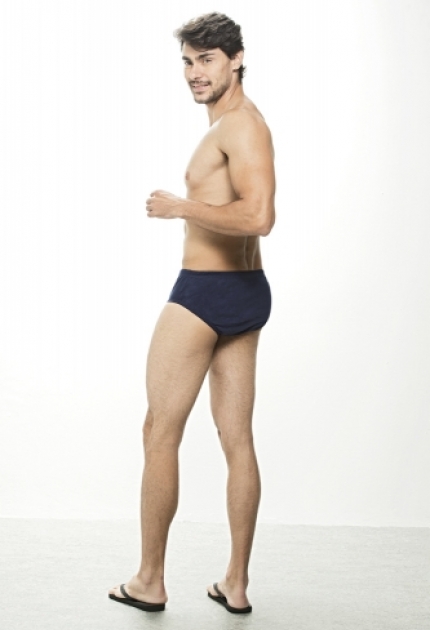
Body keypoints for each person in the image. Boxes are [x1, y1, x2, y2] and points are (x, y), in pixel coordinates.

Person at [108, 11, 276, 615]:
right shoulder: (236, 124)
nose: (194, 72)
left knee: (160, 430)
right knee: (237, 439)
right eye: (187, 60)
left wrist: (182, 207)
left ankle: (149, 580)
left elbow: (259, 217)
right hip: (246, 290)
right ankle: (236, 583)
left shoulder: (241, 125)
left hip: (206, 291)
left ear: (236, 59)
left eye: (206, 59)